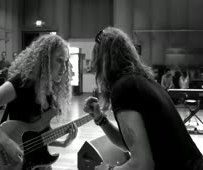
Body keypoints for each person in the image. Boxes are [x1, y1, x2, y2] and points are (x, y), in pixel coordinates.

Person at [83, 27, 203, 170]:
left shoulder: (124, 88)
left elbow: (142, 165)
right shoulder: (144, 83)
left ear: (103, 61)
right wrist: (100, 120)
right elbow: (130, 145)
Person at [0, 34, 78, 169]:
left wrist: (63, 143)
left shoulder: (49, 90)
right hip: (13, 158)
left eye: (66, 61)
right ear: (45, 60)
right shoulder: (23, 83)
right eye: (59, 60)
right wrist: (6, 142)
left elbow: (37, 136)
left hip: (36, 160)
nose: (64, 68)